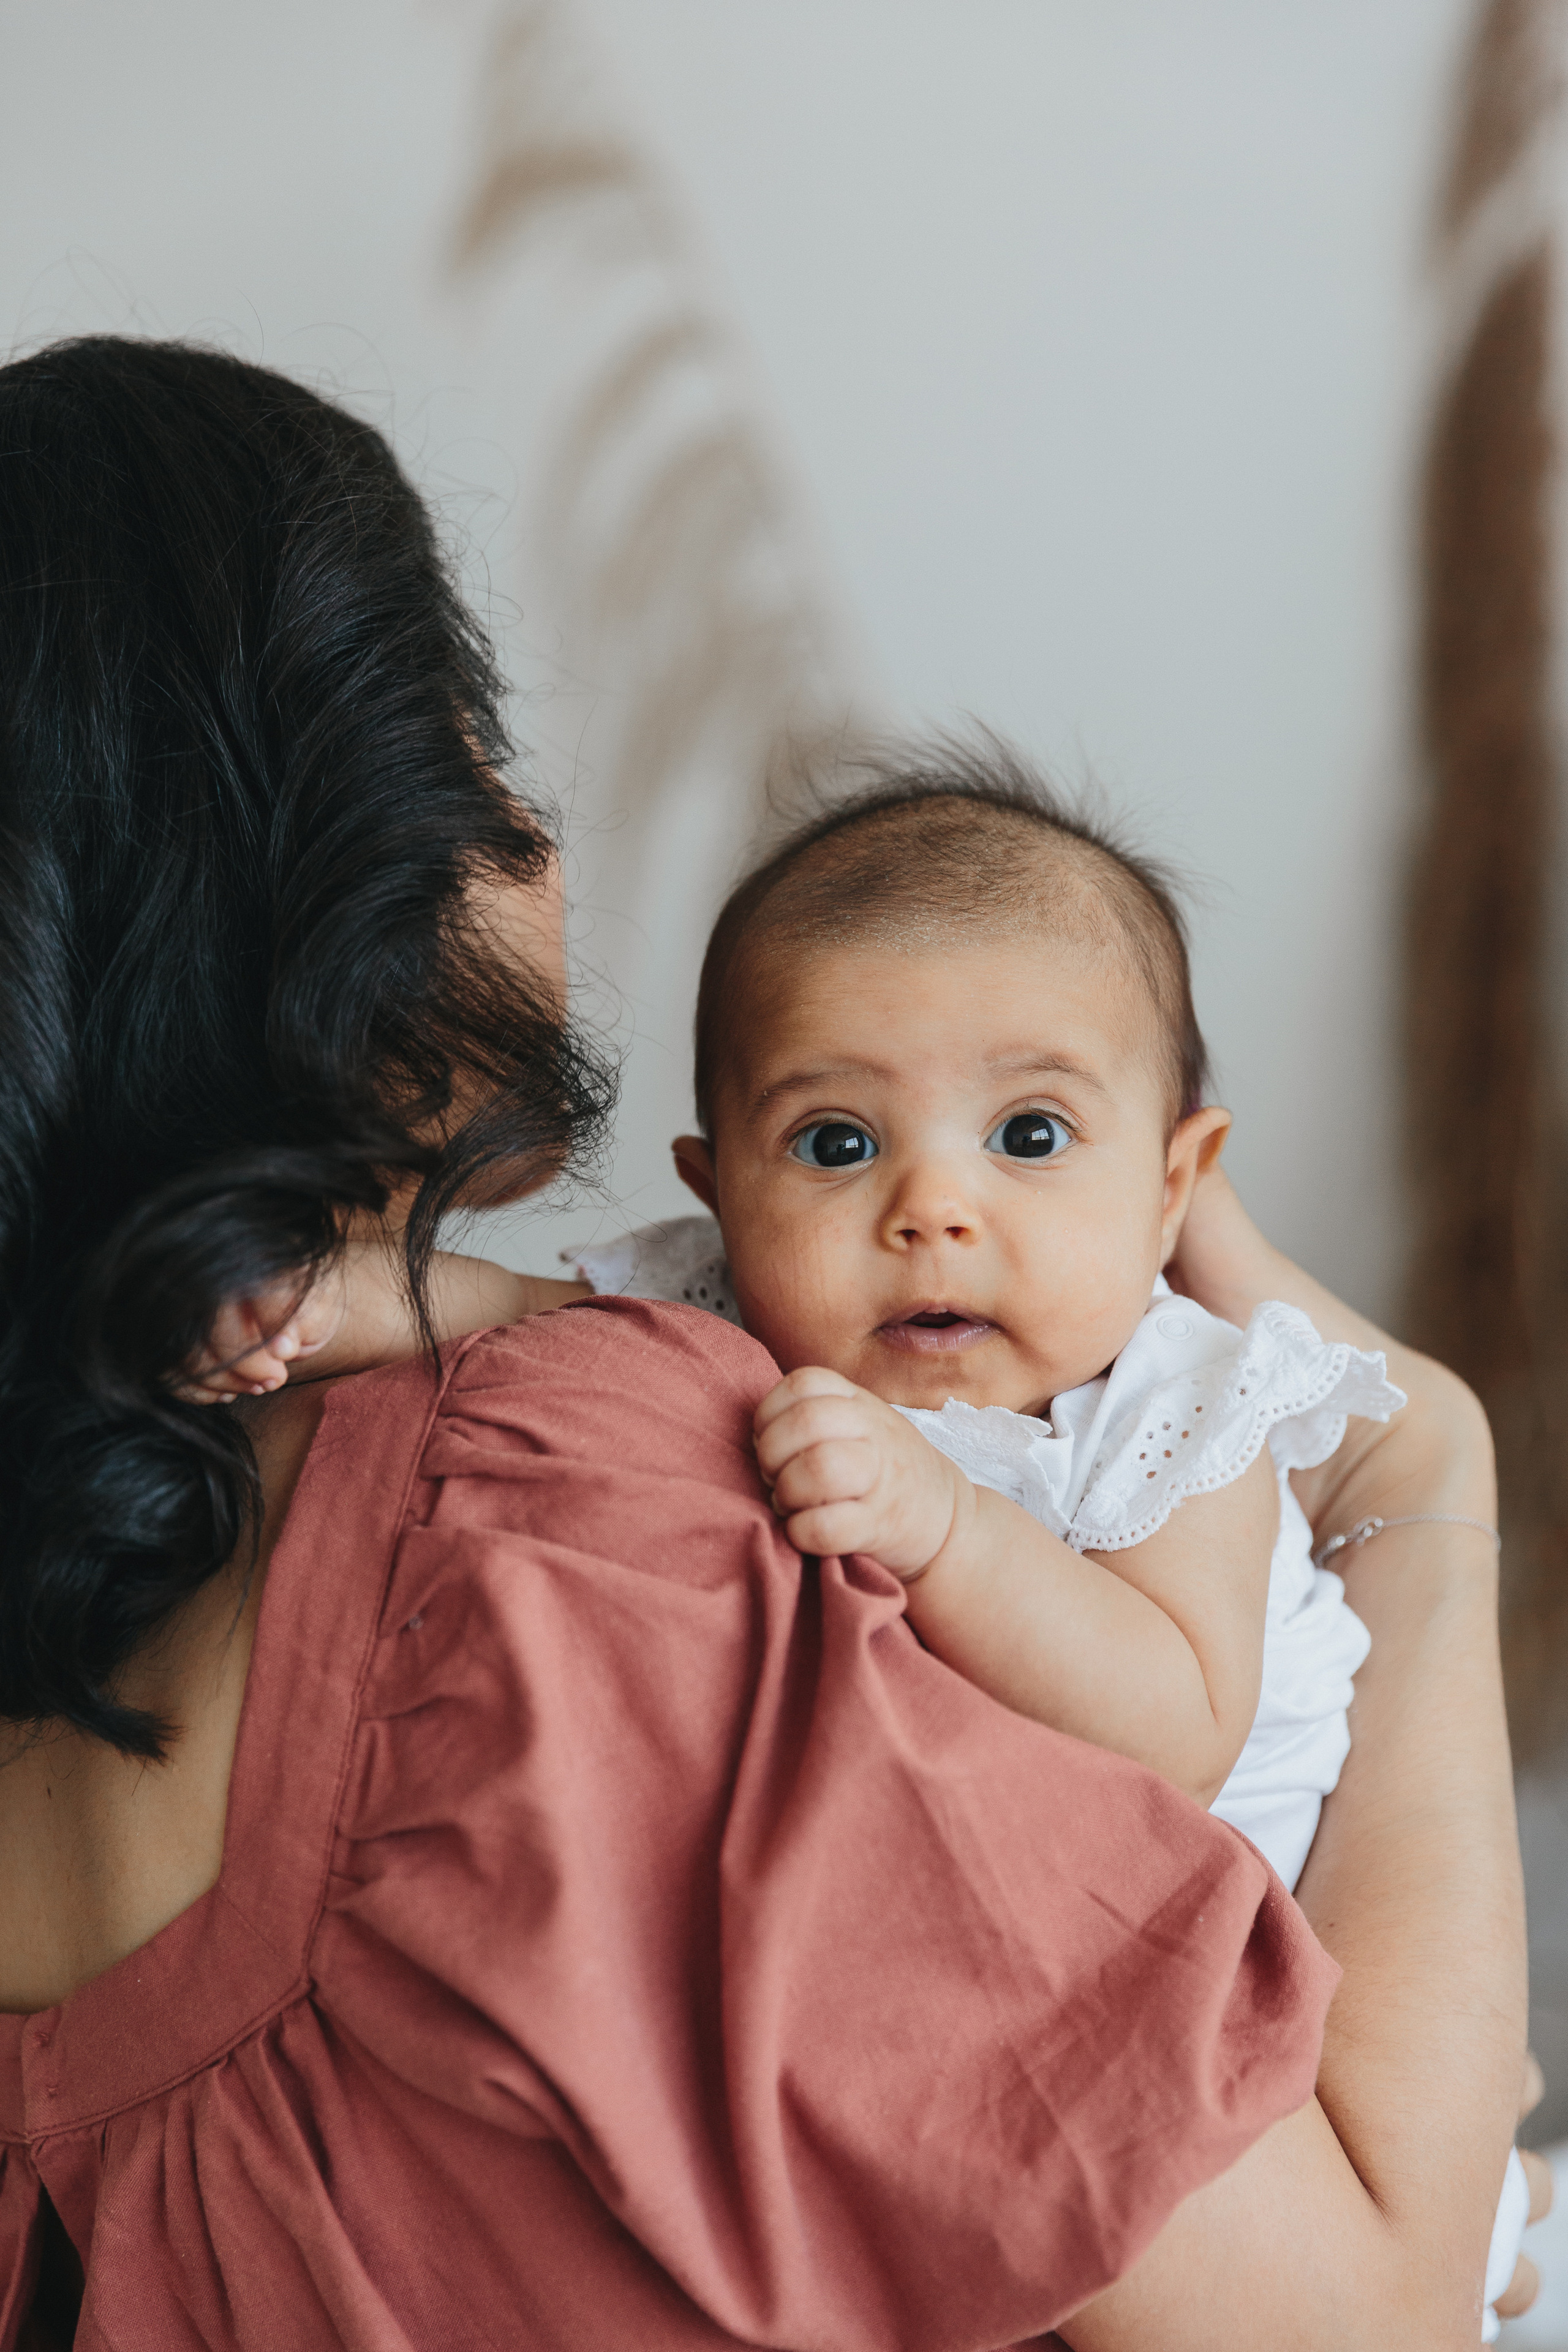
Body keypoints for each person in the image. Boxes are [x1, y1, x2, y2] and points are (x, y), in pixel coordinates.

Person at [0, 337, 1531, 2350]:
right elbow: (1368, 2306)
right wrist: (1433, 1494)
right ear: (335, 867)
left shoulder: (125, 1572)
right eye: (474, 746)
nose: (538, 831)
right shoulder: (586, 1513)